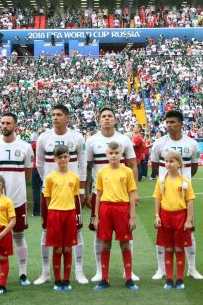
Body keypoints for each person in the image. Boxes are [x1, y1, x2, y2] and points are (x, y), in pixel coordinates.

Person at [34, 105, 87, 286]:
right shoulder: (44, 137)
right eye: (53, 115)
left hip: (71, 193)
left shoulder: (77, 137)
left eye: (59, 115)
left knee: (77, 231)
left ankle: (78, 272)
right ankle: (46, 272)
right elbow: (39, 164)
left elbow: (82, 163)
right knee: (46, 231)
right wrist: (50, 183)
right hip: (50, 193)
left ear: (67, 117)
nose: (55, 118)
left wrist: (81, 189)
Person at [86, 107, 138, 283]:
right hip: (100, 194)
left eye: (110, 116)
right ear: (99, 120)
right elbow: (87, 168)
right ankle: (100, 272)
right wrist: (86, 192)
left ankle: (128, 272)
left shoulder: (124, 140)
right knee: (100, 235)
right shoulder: (92, 140)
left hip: (122, 197)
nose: (107, 119)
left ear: (115, 120)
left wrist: (135, 192)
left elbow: (133, 164)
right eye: (103, 117)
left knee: (126, 236)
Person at [150, 110, 203, 280]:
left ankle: (192, 269)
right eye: (168, 122)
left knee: (189, 231)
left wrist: (183, 182)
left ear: (181, 124)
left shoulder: (192, 144)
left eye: (173, 122)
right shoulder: (159, 143)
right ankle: (161, 269)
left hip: (184, 196)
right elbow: (155, 166)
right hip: (165, 197)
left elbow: (193, 167)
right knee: (163, 236)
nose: (169, 125)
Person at [0, 112, 34, 285]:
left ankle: (23, 273)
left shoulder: (25, 147)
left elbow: (28, 173)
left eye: (8, 123)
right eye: (3, 123)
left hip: (18, 199)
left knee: (19, 235)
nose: (5, 126)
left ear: (15, 126)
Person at [92, 141, 139, 291]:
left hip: (122, 209)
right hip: (106, 209)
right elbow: (98, 195)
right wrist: (96, 216)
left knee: (125, 244)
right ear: (106, 154)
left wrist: (132, 217)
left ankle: (129, 278)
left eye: (116, 153)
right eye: (111, 153)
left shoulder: (127, 172)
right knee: (105, 243)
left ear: (121, 154)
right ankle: (104, 279)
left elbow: (132, 195)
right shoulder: (102, 172)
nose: (113, 156)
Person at [153, 150, 195, 290]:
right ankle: (169, 278)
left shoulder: (184, 182)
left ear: (179, 163)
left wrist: (188, 220)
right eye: (167, 161)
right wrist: (157, 216)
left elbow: (189, 201)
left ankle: (180, 279)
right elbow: (157, 199)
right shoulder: (161, 180)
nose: (169, 164)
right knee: (168, 248)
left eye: (172, 161)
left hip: (180, 217)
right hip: (165, 217)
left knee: (179, 248)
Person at [44, 144, 81, 292]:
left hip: (70, 213)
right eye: (60, 157)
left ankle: (66, 279)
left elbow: (74, 196)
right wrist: (53, 211)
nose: (63, 159)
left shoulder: (74, 177)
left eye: (65, 156)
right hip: (55, 214)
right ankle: (57, 280)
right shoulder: (50, 177)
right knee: (57, 248)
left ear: (69, 157)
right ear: (55, 159)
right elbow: (48, 198)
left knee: (67, 248)